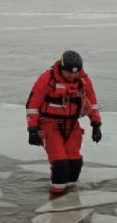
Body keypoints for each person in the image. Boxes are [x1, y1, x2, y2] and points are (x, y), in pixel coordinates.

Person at [25, 50, 103, 196]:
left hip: (72, 126)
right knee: (60, 164)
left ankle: (69, 199)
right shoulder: (46, 79)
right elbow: (33, 105)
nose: (72, 76)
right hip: (50, 125)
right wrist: (32, 129)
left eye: (75, 72)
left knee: (75, 164)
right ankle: (56, 198)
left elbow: (92, 102)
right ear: (61, 69)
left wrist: (96, 124)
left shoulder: (83, 81)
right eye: (68, 72)